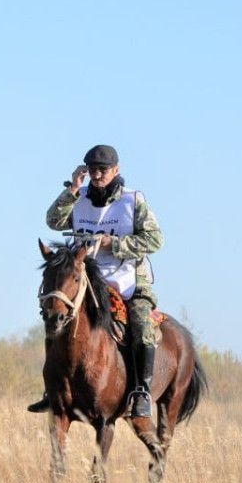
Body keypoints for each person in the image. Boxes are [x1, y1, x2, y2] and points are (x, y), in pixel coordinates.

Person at [27, 145, 164, 419]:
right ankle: (52, 389)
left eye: (103, 170)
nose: (98, 175)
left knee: (140, 324)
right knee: (56, 315)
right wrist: (73, 190)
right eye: (92, 170)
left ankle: (141, 391)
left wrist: (112, 243)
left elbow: (155, 240)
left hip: (127, 278)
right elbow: (53, 220)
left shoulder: (132, 201)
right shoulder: (79, 197)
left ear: (116, 170)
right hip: (87, 278)